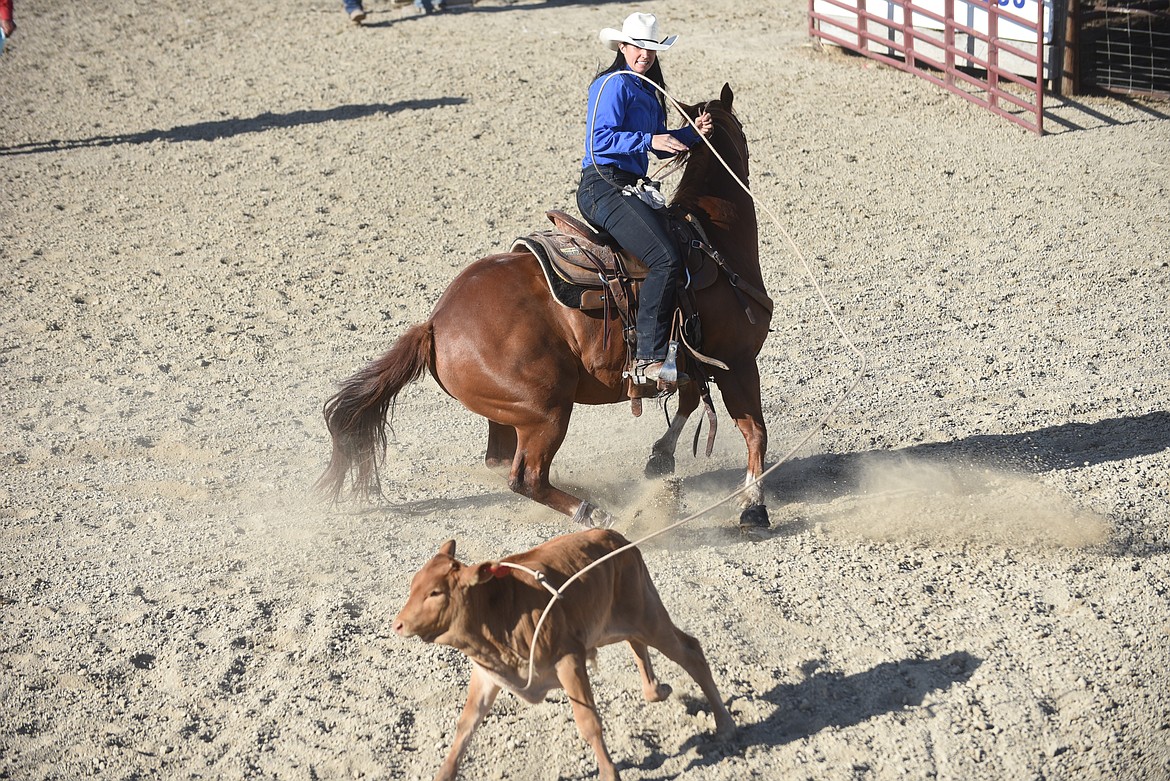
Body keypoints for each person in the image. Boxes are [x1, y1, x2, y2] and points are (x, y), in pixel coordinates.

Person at [576, 12, 713, 389]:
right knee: (665, 258)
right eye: (638, 46)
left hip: (627, 185)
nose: (645, 54)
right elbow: (598, 141)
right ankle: (648, 358)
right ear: (623, 46)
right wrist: (650, 141)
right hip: (603, 184)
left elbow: (661, 142)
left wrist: (692, 133)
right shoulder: (613, 84)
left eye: (650, 48)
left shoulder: (648, 92)